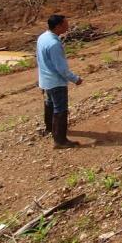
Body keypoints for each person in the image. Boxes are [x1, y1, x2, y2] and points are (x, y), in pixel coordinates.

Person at [37, 14, 83, 149]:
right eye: (65, 24)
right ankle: (60, 140)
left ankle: (50, 129)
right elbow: (61, 68)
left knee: (50, 105)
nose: (68, 26)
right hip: (56, 82)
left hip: (45, 80)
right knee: (60, 109)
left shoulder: (42, 37)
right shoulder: (54, 44)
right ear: (58, 26)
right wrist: (75, 79)